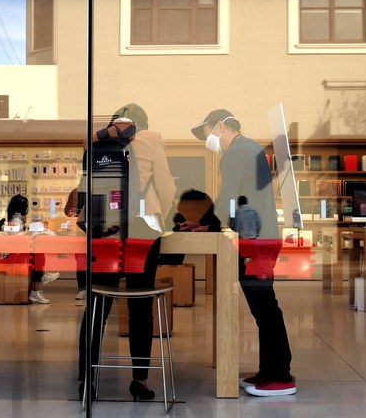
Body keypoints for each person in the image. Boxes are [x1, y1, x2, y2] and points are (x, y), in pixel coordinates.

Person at [191, 109, 296, 397]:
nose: (207, 140)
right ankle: (268, 371)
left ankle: (281, 376)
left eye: (207, 133)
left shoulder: (237, 152)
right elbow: (237, 197)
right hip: (258, 236)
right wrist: (206, 224)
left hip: (256, 241)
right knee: (263, 310)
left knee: (266, 309)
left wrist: (208, 224)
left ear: (221, 127)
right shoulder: (249, 148)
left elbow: (228, 194)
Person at [78, 116, 162, 403]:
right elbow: (165, 187)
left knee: (96, 308)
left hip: (104, 230)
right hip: (142, 229)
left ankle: (87, 380)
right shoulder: (149, 141)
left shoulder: (93, 146)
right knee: (141, 309)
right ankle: (140, 380)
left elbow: (84, 190)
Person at [74, 104, 175, 300]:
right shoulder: (151, 138)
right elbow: (166, 186)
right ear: (143, 124)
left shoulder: (95, 141)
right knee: (140, 293)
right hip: (141, 222)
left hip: (103, 222)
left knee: (100, 294)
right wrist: (159, 214)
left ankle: (94, 320)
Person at [0, 194, 59, 304]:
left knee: (38, 255)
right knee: (38, 255)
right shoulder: (16, 219)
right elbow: (16, 236)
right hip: (15, 254)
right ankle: (39, 284)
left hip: (17, 251)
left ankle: (38, 285)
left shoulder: (15, 218)